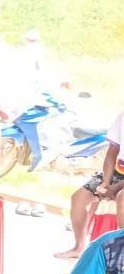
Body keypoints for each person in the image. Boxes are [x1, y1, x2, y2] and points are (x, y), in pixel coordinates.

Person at [55, 110, 124, 259]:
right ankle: (79, 247)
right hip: (119, 170)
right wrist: (105, 183)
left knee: (122, 198)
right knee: (78, 198)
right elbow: (112, 152)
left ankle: (120, 257)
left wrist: (116, 187)